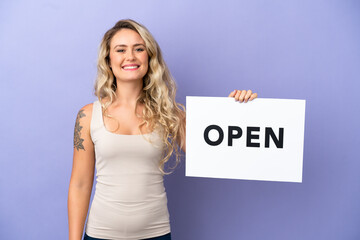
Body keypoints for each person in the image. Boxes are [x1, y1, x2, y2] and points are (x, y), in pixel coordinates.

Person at [67, 19, 258, 240]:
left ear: (149, 57)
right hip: (101, 234)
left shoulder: (169, 113)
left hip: (156, 234)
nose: (130, 56)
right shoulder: (88, 115)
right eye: (121, 50)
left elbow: (212, 153)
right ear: (109, 60)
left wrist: (238, 110)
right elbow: (80, 185)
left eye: (139, 49)